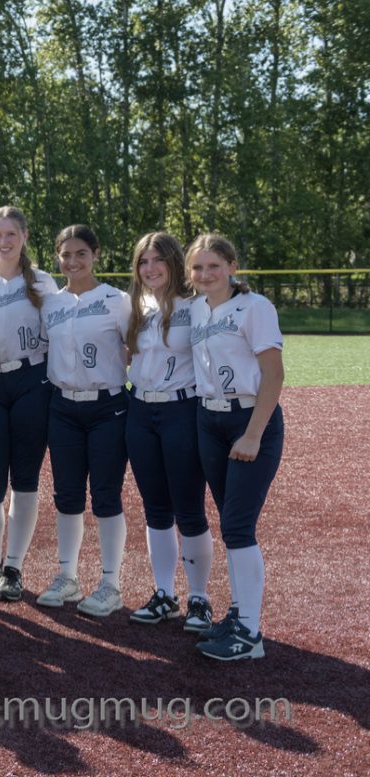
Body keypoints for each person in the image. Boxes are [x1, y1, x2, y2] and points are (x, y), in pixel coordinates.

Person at [187, 234, 284, 661]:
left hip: (248, 418)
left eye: (214, 266)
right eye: (198, 268)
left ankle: (250, 635)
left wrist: (253, 433)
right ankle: (239, 614)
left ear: (232, 266)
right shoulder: (195, 309)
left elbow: (274, 375)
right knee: (231, 524)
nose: (206, 274)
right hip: (210, 419)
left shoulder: (255, 307)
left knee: (240, 526)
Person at [0, 206, 58, 603]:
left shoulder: (42, 282)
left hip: (31, 383)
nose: (4, 241)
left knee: (24, 482)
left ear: (24, 237)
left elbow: (58, 335)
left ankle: (14, 566)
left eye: (11, 234)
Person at [37, 225, 133, 617]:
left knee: (106, 496)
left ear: (96, 254)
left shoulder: (118, 300)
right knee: (67, 496)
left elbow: (137, 351)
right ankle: (68, 576)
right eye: (65, 255)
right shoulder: (51, 304)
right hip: (63, 406)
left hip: (108, 406)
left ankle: (111, 584)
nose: (73, 262)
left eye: (81, 253)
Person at [123, 233, 214, 631]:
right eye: (143, 261)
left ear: (175, 263)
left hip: (181, 409)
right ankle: (164, 594)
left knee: (189, 508)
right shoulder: (133, 307)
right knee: (155, 509)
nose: (150, 268)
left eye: (158, 260)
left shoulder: (195, 307)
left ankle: (199, 598)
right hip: (140, 409)